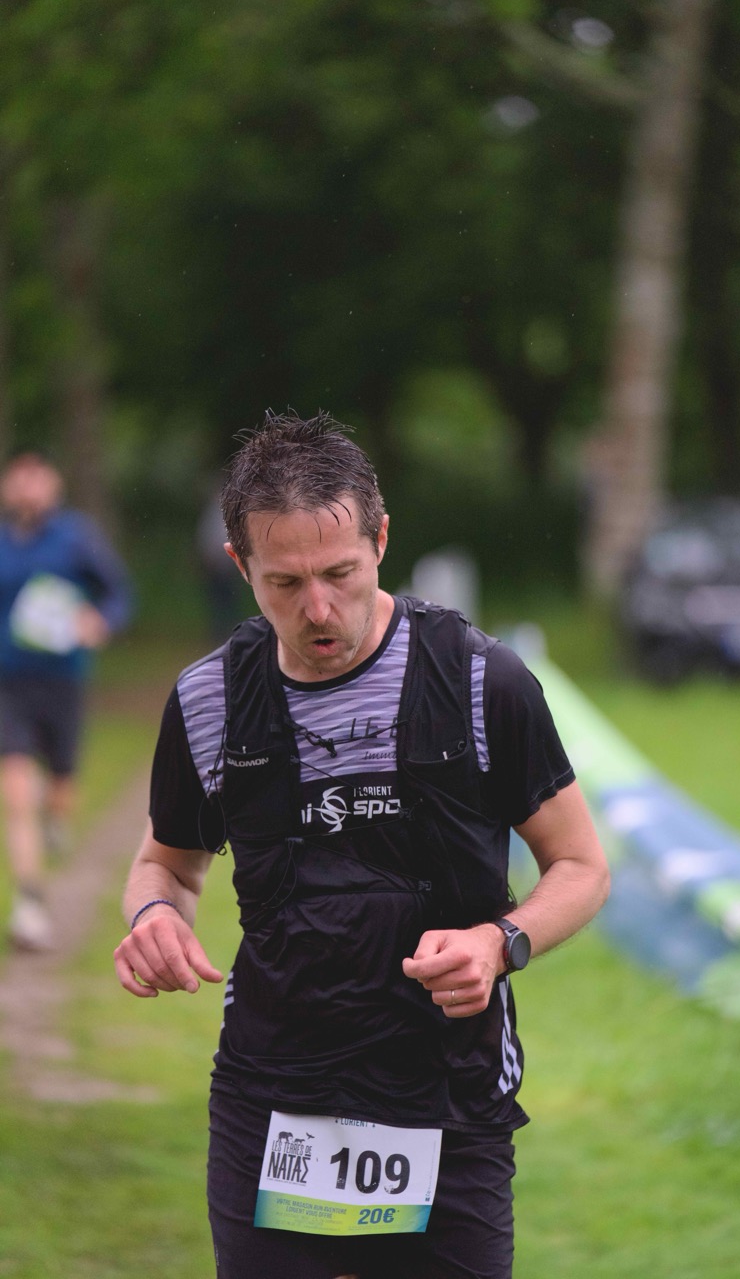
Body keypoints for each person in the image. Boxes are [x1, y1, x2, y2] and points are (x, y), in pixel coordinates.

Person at [113, 410, 609, 1279]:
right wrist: (154, 915)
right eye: (283, 582)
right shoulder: (207, 700)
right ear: (238, 566)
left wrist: (499, 943)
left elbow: (580, 866)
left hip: (446, 1088)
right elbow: (165, 865)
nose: (317, 609)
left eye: (339, 573)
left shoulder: (481, 680)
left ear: (380, 541)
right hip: (275, 1091)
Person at [0, 449, 133, 951]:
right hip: (9, 685)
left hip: (63, 683)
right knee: (16, 791)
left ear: (53, 484)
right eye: (19, 476)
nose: (28, 485)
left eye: (37, 475)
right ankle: (30, 903)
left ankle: (57, 818)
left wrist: (100, 621)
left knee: (59, 786)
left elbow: (118, 594)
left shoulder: (76, 537)